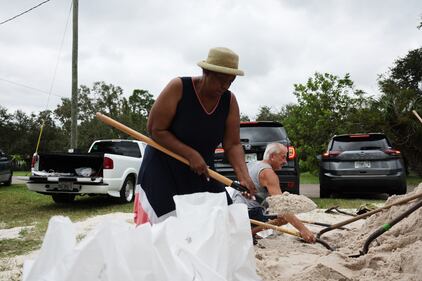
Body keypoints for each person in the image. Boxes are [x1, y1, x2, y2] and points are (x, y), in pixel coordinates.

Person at [134, 47, 256, 224]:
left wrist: (244, 176)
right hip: (163, 168)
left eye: (230, 81)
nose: (225, 86)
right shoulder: (179, 87)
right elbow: (155, 129)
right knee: (168, 226)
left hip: (202, 169)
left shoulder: (229, 101)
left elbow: (233, 144)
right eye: (221, 80)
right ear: (206, 72)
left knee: (223, 218)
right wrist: (190, 153)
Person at [229, 142, 316, 243]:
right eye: (283, 157)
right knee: (283, 217)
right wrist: (303, 230)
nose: (285, 162)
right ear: (272, 156)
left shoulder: (253, 164)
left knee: (280, 213)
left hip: (236, 210)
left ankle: (250, 230)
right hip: (248, 213)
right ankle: (250, 233)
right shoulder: (268, 173)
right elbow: (282, 208)